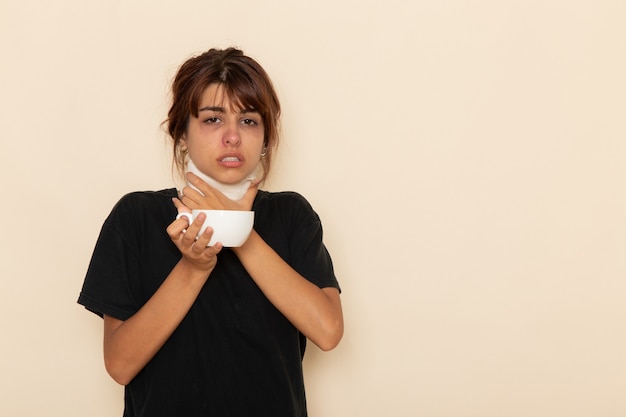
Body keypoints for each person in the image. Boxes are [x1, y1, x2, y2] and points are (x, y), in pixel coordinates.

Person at [78, 47, 343, 417]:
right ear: (181, 133)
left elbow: (328, 331)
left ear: (266, 138)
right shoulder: (135, 217)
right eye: (213, 119)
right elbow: (120, 365)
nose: (232, 137)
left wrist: (242, 234)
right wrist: (194, 268)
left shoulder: (291, 215)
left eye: (249, 120)